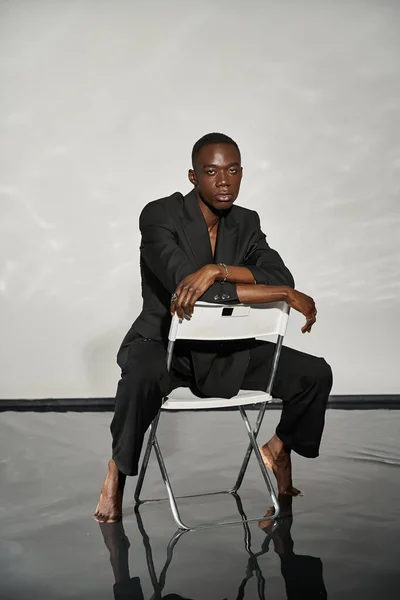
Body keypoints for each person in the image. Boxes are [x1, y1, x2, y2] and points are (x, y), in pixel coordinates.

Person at [94, 132, 333, 523]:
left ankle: (278, 449)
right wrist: (283, 294)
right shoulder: (159, 215)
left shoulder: (246, 222)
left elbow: (278, 273)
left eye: (233, 170)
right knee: (138, 381)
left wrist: (217, 271)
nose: (224, 181)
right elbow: (190, 291)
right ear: (193, 177)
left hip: (225, 349)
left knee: (314, 374)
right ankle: (117, 473)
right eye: (212, 172)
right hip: (164, 344)